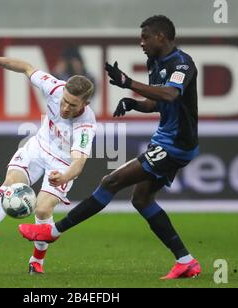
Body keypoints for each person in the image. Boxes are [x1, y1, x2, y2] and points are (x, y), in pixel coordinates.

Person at [18, 15, 201, 280]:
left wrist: (128, 83)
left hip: (178, 144)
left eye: (145, 37)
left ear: (161, 36)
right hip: (164, 138)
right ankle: (186, 262)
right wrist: (133, 103)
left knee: (111, 181)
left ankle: (53, 232)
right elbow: (159, 102)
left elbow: (172, 94)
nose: (141, 43)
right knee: (141, 199)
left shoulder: (183, 64)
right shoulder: (156, 62)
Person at [0, 43, 97, 274]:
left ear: (85, 104)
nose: (65, 107)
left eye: (72, 105)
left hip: (62, 164)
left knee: (43, 210)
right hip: (38, 147)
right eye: (64, 100)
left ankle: (37, 261)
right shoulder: (56, 87)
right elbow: (25, 67)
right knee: (11, 182)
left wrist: (63, 176)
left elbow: (79, 162)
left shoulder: (85, 124)